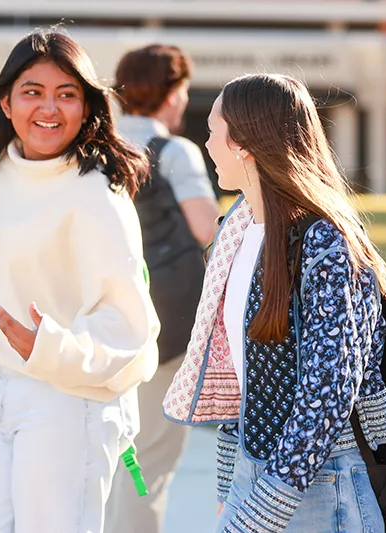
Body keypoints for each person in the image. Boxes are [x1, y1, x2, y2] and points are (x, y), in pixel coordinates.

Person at [0, 30, 161, 533]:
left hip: (70, 398)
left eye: (67, 94)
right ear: (6, 102)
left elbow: (130, 326)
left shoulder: (98, 194)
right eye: (33, 91)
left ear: (87, 108)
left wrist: (50, 346)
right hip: (1, 393)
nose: (49, 108)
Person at [162, 73, 386, 532]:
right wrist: (232, 481)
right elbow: (245, 372)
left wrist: (266, 505)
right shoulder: (239, 228)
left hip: (320, 486)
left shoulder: (326, 240)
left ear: (245, 144)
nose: (207, 144)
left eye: (214, 131)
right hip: (258, 477)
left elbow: (329, 391)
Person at [106, 44, 219, 533]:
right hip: (165, 326)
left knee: (105, 456)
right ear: (170, 93)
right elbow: (206, 228)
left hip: (100, 317)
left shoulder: (94, 149)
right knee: (147, 462)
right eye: (184, 91)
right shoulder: (175, 152)